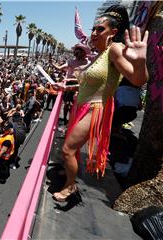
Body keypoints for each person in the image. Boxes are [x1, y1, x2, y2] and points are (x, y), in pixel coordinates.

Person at [52, 5, 149, 201]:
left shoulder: (115, 49)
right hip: (82, 106)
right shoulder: (100, 54)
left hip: (95, 109)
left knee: (67, 149)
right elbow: (87, 84)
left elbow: (138, 79)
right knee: (72, 148)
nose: (94, 33)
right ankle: (70, 174)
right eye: (93, 29)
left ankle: (71, 187)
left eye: (100, 29)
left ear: (113, 32)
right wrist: (66, 88)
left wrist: (140, 62)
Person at [51, 44, 91, 125]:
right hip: (69, 84)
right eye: (75, 53)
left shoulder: (88, 63)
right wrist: (51, 63)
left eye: (78, 53)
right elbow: (59, 68)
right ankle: (65, 119)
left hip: (81, 85)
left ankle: (73, 120)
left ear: (83, 53)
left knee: (76, 104)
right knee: (67, 104)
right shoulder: (71, 61)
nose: (75, 54)